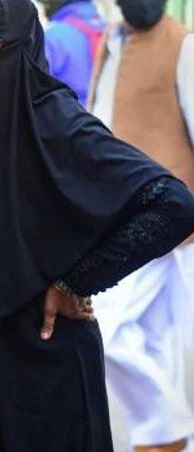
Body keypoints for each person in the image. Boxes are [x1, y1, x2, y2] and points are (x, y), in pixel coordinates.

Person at [0, 0, 194, 450]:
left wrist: (73, 282)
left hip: (37, 369)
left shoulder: (56, 126)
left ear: (18, 48)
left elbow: (173, 204)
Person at [88, 1, 194, 450]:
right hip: (116, 217)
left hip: (166, 220)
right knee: (151, 340)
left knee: (108, 333)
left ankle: (166, 430)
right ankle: (171, 435)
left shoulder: (183, 46)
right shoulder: (110, 42)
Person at [38, 0, 105, 106]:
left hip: (70, 117)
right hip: (110, 117)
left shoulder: (53, 35)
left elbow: (38, 89)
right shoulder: (112, 31)